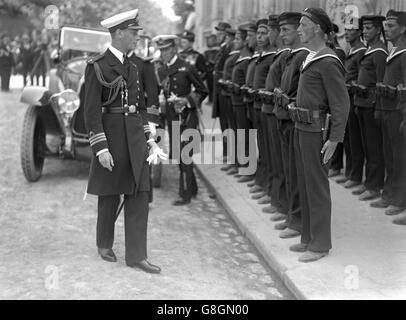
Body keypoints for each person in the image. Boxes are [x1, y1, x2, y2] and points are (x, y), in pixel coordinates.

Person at [83, 9, 165, 273]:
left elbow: (138, 107)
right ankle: (104, 243)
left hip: (135, 140)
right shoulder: (98, 65)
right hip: (112, 139)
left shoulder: (133, 66)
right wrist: (100, 147)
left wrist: (149, 138)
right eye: (133, 33)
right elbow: (91, 112)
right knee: (109, 195)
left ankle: (137, 255)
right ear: (118, 33)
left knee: (140, 195)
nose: (137, 38)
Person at [290, 8, 349, 262]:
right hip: (302, 128)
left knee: (317, 187)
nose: (299, 29)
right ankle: (308, 237)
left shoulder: (327, 60)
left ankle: (321, 244)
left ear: (317, 28)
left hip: (317, 132)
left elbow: (341, 104)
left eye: (303, 25)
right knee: (304, 184)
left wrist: (335, 140)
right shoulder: (312, 57)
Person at [154, 35, 208, 206]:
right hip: (172, 117)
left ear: (174, 49)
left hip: (188, 117)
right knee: (178, 155)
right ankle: (192, 188)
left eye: (166, 50)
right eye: (161, 50)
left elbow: (202, 90)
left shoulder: (187, 67)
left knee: (186, 154)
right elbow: (158, 92)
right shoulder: (161, 71)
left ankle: (184, 194)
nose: (163, 53)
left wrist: (187, 101)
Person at [274, 12, 311, 238]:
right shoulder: (290, 56)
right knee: (289, 170)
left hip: (294, 120)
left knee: (297, 174)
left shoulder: (303, 56)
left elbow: (302, 94)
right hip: (283, 118)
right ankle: (291, 214)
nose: (281, 34)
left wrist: (287, 100)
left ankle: (297, 220)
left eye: (286, 30)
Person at [352, 15, 388, 201]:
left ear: (378, 29)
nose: (365, 32)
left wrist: (378, 108)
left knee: (374, 148)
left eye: (369, 28)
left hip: (372, 103)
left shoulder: (380, 52)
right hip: (361, 103)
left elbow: (381, 81)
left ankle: (374, 186)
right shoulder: (370, 50)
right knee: (366, 146)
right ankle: (369, 182)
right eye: (364, 28)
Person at [374, 10, 406, 215]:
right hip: (387, 109)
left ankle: (400, 200)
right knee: (390, 156)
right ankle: (390, 193)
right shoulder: (394, 51)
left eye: (391, 26)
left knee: (400, 158)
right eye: (386, 26)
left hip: (398, 112)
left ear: (403, 29)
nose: (387, 29)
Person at [260, 16, 290, 219]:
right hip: (269, 110)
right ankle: (276, 198)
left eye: (271, 30)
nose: (272, 34)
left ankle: (282, 203)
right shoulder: (280, 56)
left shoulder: (285, 56)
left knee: (281, 162)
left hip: (277, 111)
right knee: (274, 158)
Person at [341, 16, 367, 189]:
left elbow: (359, 77)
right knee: (348, 139)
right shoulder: (350, 52)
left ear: (359, 32)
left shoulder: (362, 51)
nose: (348, 33)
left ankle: (356, 176)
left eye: (351, 30)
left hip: (355, 98)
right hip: (346, 99)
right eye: (347, 30)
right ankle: (350, 172)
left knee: (356, 140)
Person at [230, 23, 255, 183]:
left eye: (239, 38)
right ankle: (242, 164)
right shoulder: (241, 55)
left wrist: (237, 87)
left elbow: (247, 81)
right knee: (241, 134)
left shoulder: (246, 56)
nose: (235, 41)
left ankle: (248, 168)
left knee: (246, 136)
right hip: (236, 100)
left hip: (242, 101)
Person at [218, 28, 240, 175]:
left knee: (237, 131)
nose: (226, 39)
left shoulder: (239, 56)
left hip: (235, 97)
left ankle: (239, 163)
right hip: (227, 95)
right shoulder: (231, 53)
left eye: (237, 38)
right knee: (231, 129)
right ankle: (234, 160)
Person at [212, 21, 232, 162]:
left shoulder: (229, 50)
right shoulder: (222, 49)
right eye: (217, 33)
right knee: (223, 123)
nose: (218, 35)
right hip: (219, 91)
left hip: (225, 92)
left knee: (228, 124)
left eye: (221, 33)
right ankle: (226, 153)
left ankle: (229, 154)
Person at [203, 34, 219, 103]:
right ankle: (210, 99)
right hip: (208, 72)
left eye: (211, 40)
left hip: (214, 71)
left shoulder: (218, 50)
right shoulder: (206, 52)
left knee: (214, 87)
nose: (209, 42)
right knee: (209, 86)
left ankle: (214, 100)